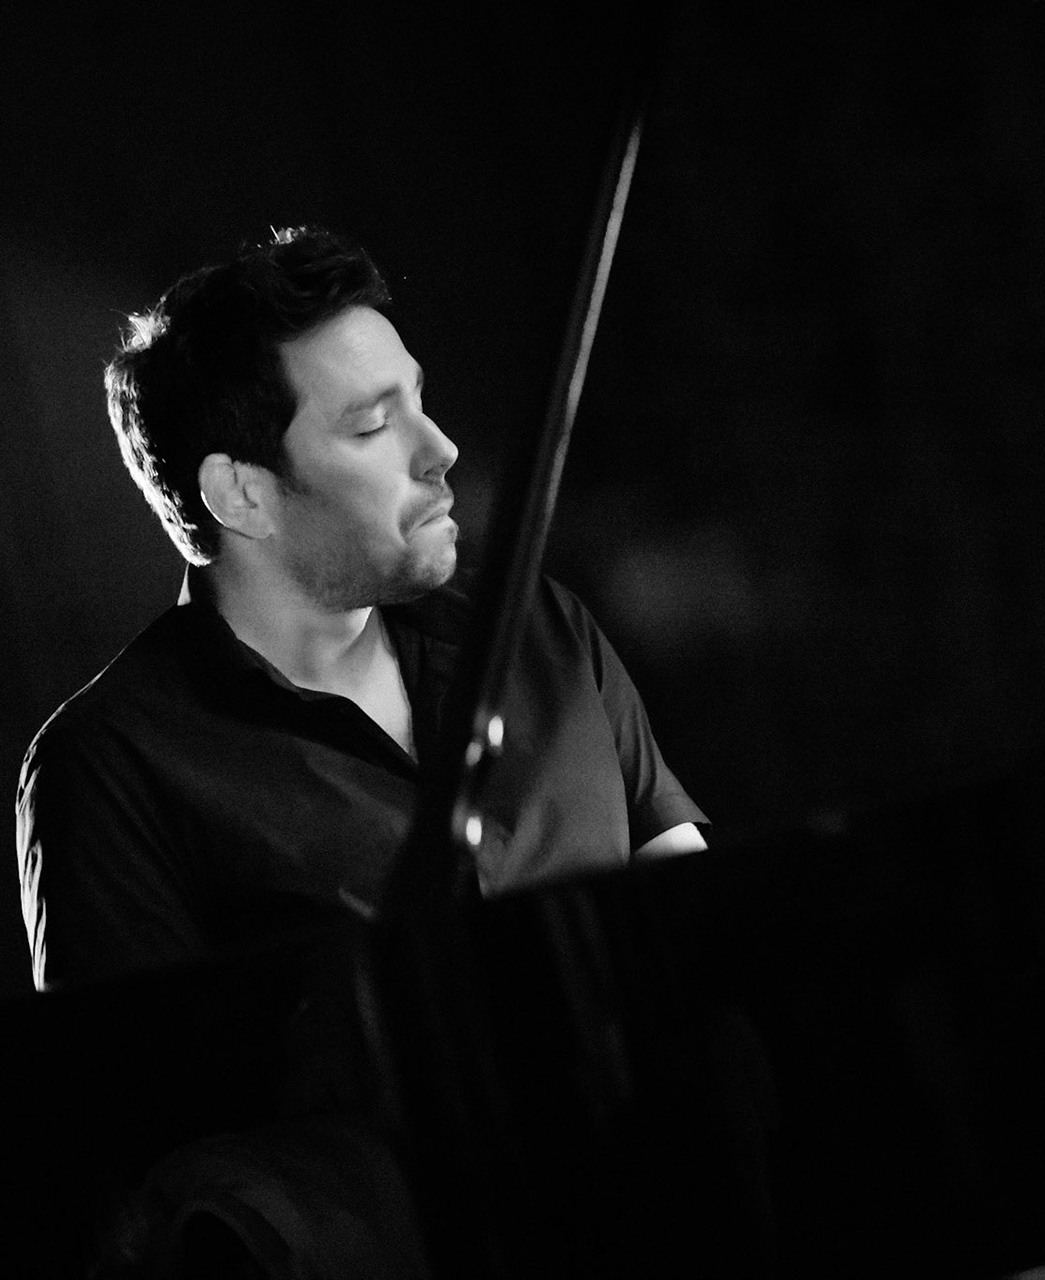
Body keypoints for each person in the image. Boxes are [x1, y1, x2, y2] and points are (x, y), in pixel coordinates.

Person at [14, 223, 707, 989]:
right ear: (241, 494)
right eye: (373, 425)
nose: (439, 448)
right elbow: (150, 1095)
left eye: (419, 399)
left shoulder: (538, 624)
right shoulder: (110, 767)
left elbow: (702, 928)